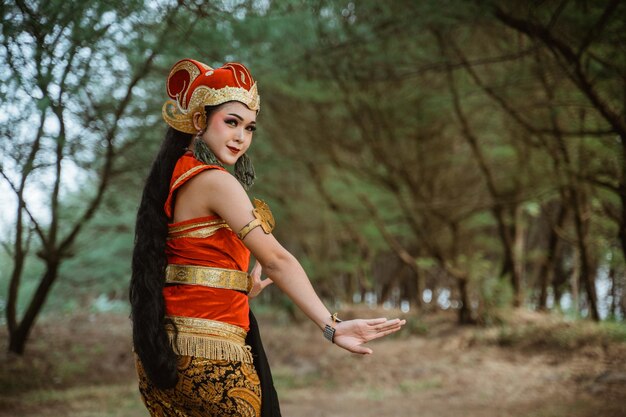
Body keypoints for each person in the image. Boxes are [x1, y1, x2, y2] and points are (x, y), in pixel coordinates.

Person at [129, 58, 406, 417]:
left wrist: (239, 285)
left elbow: (186, 264)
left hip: (162, 354)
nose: (241, 137)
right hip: (211, 355)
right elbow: (277, 260)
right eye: (231, 122)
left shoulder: (173, 178)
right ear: (199, 121)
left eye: (249, 127)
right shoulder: (215, 181)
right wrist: (332, 326)